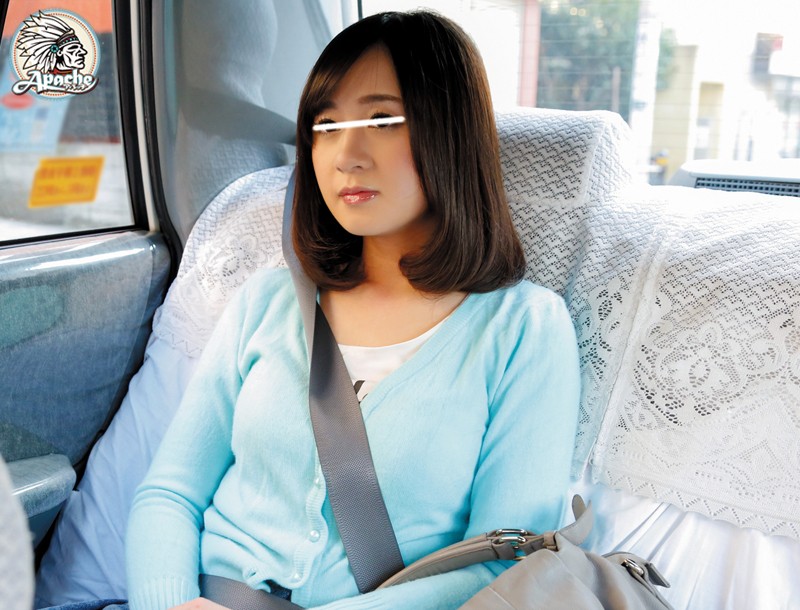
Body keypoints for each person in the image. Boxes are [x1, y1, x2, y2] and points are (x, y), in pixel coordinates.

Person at [124, 10, 580, 610]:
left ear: (452, 132)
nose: (346, 155)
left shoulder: (524, 329)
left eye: (383, 120)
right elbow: (169, 494)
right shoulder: (266, 303)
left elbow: (501, 563)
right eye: (325, 125)